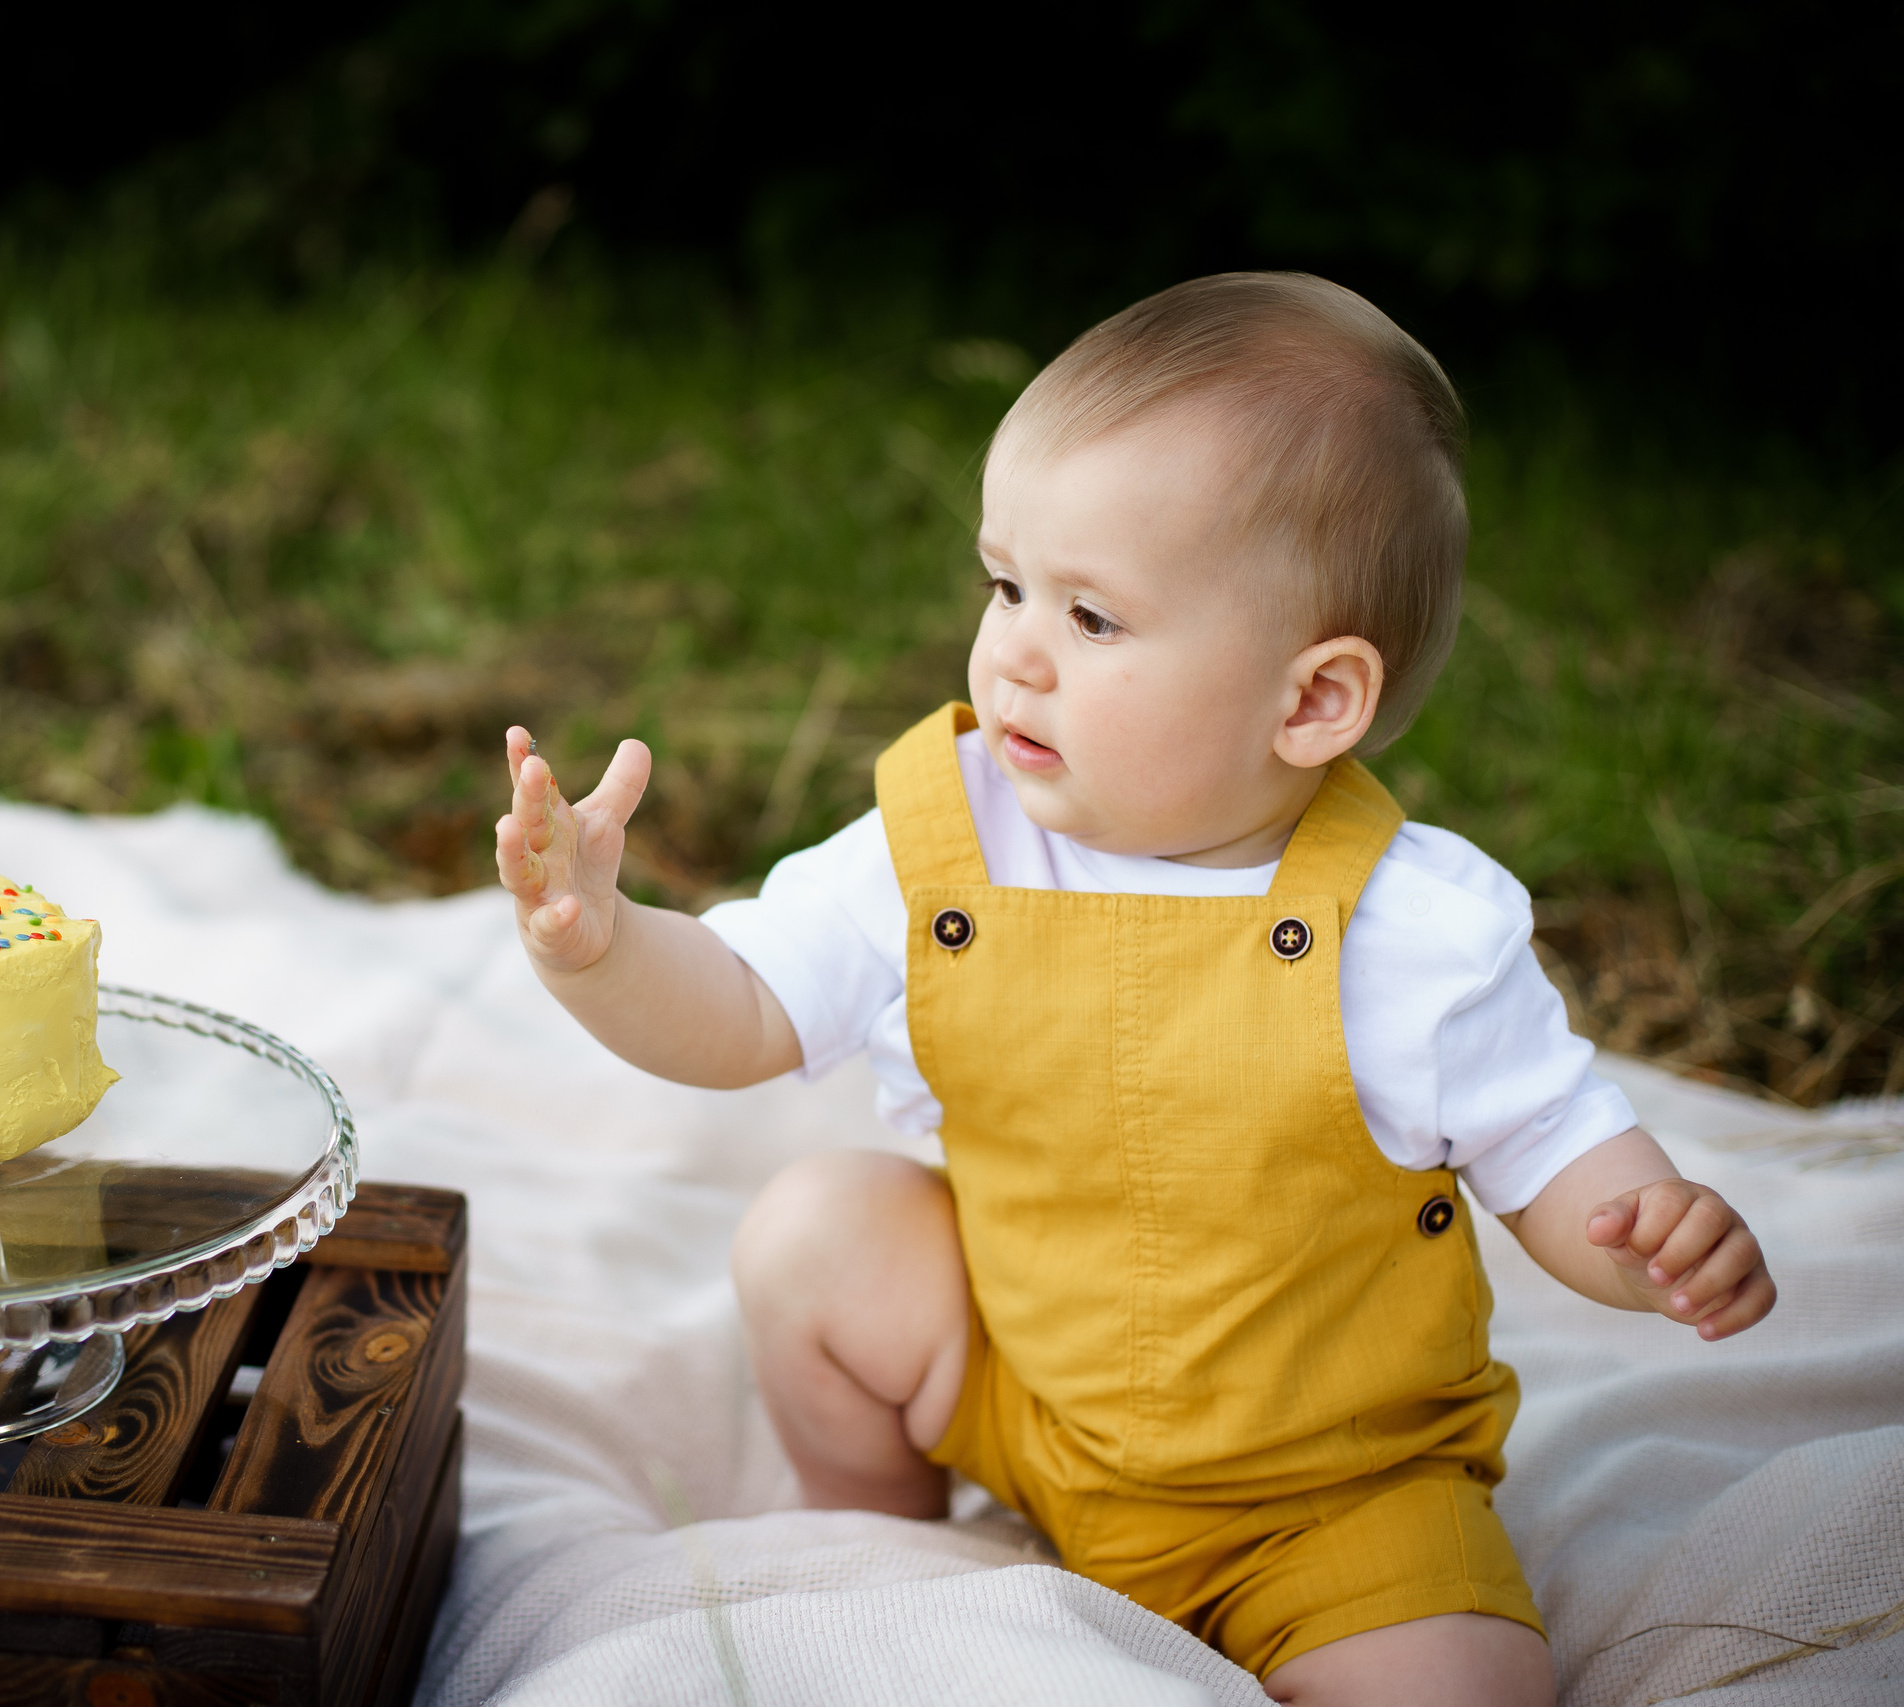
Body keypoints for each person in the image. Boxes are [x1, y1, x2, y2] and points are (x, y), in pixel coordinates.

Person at [491, 272, 1774, 1706]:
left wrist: (1649, 1239)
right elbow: (741, 1004)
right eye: (1006, 585)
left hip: (1332, 1496)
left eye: (1093, 617)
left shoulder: (1411, 930)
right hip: (1028, 1403)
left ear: (1312, 701)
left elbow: (1553, 1147)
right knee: (818, 1229)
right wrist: (603, 947)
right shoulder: (948, 837)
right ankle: (882, 1534)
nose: (1015, 652)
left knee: (1468, 1690)